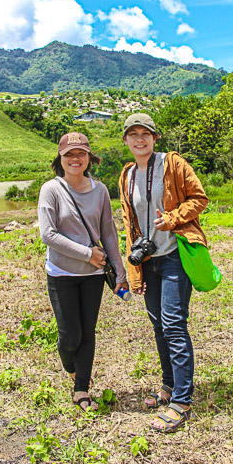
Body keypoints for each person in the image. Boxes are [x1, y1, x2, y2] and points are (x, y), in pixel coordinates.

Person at [119, 113, 209, 432]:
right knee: (158, 324)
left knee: (173, 323)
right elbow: (129, 225)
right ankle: (169, 386)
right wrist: (135, 272)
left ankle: (182, 401)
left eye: (145, 133)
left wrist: (172, 218)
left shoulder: (173, 164)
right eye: (133, 134)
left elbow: (199, 198)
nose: (139, 138)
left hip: (173, 255)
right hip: (149, 260)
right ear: (126, 140)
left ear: (155, 138)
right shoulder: (127, 175)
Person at [38, 131, 128, 411]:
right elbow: (48, 235)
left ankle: (82, 389)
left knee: (87, 332)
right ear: (60, 159)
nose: (75, 159)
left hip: (93, 276)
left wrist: (120, 270)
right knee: (69, 336)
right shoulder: (50, 190)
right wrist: (88, 254)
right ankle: (69, 365)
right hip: (61, 273)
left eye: (81, 154)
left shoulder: (100, 190)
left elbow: (109, 233)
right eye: (69, 154)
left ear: (89, 158)